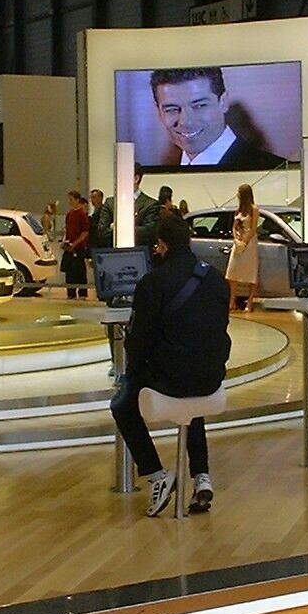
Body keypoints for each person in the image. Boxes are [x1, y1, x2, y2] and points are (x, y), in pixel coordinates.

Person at [110, 212, 230, 516]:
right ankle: (201, 475)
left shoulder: (153, 282)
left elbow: (138, 342)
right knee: (192, 402)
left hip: (173, 376)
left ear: (161, 245)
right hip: (212, 376)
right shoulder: (216, 278)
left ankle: (157, 476)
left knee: (122, 403)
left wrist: (130, 376)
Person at [149, 67, 287, 169]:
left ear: (223, 102)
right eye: (171, 109)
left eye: (199, 106)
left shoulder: (274, 170)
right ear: (158, 112)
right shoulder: (160, 173)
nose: (186, 121)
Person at [225, 183, 259, 312]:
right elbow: (234, 226)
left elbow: (254, 228)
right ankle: (232, 301)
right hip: (238, 242)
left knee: (251, 272)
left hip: (249, 243)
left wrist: (244, 241)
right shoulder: (238, 210)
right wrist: (236, 239)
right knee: (233, 272)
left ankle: (249, 302)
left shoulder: (254, 209)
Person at [62, 189, 90, 299]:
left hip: (78, 249)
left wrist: (75, 244)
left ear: (77, 200)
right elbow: (68, 231)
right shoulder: (69, 214)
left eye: (71, 199)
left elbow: (85, 232)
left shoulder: (82, 214)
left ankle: (82, 293)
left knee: (80, 272)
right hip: (70, 248)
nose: (69, 202)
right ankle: (71, 293)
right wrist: (66, 242)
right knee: (69, 273)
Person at [132, 164, 161, 247]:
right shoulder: (110, 202)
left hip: (139, 253)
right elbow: (102, 232)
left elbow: (148, 232)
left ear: (136, 179)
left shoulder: (151, 204)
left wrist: (118, 227)